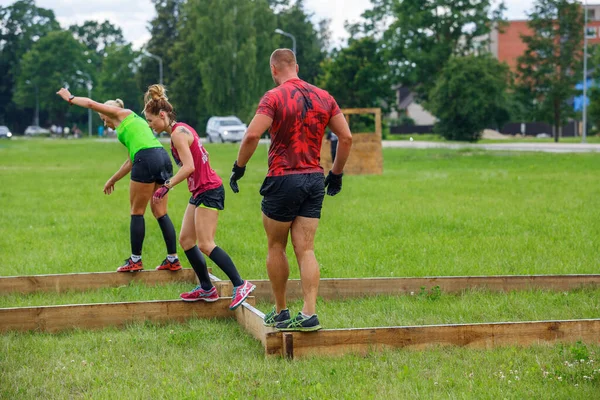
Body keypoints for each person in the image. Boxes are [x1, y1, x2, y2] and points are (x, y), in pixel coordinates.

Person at [230, 49, 353, 331]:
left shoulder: (273, 97)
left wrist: (239, 167)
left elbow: (251, 134)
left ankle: (281, 310)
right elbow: (345, 137)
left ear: (274, 69)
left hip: (283, 177)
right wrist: (336, 174)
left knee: (276, 246)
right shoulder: (324, 97)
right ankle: (309, 313)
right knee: (306, 249)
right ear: (295, 66)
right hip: (313, 178)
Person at [143, 84, 255, 310]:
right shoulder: (182, 129)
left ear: (162, 115)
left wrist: (166, 185)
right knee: (186, 240)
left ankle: (241, 284)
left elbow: (189, 167)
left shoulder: (176, 134)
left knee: (205, 243)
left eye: (150, 120)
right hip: (200, 190)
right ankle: (206, 288)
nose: (150, 125)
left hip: (209, 190)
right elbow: (202, 155)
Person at [56, 87, 181, 273]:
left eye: (103, 119)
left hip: (146, 158)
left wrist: (70, 98)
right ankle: (173, 259)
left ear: (107, 113)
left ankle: (135, 260)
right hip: (161, 157)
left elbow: (91, 104)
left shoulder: (122, 114)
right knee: (160, 211)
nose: (105, 124)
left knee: (137, 212)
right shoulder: (132, 122)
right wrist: (113, 179)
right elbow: (132, 160)